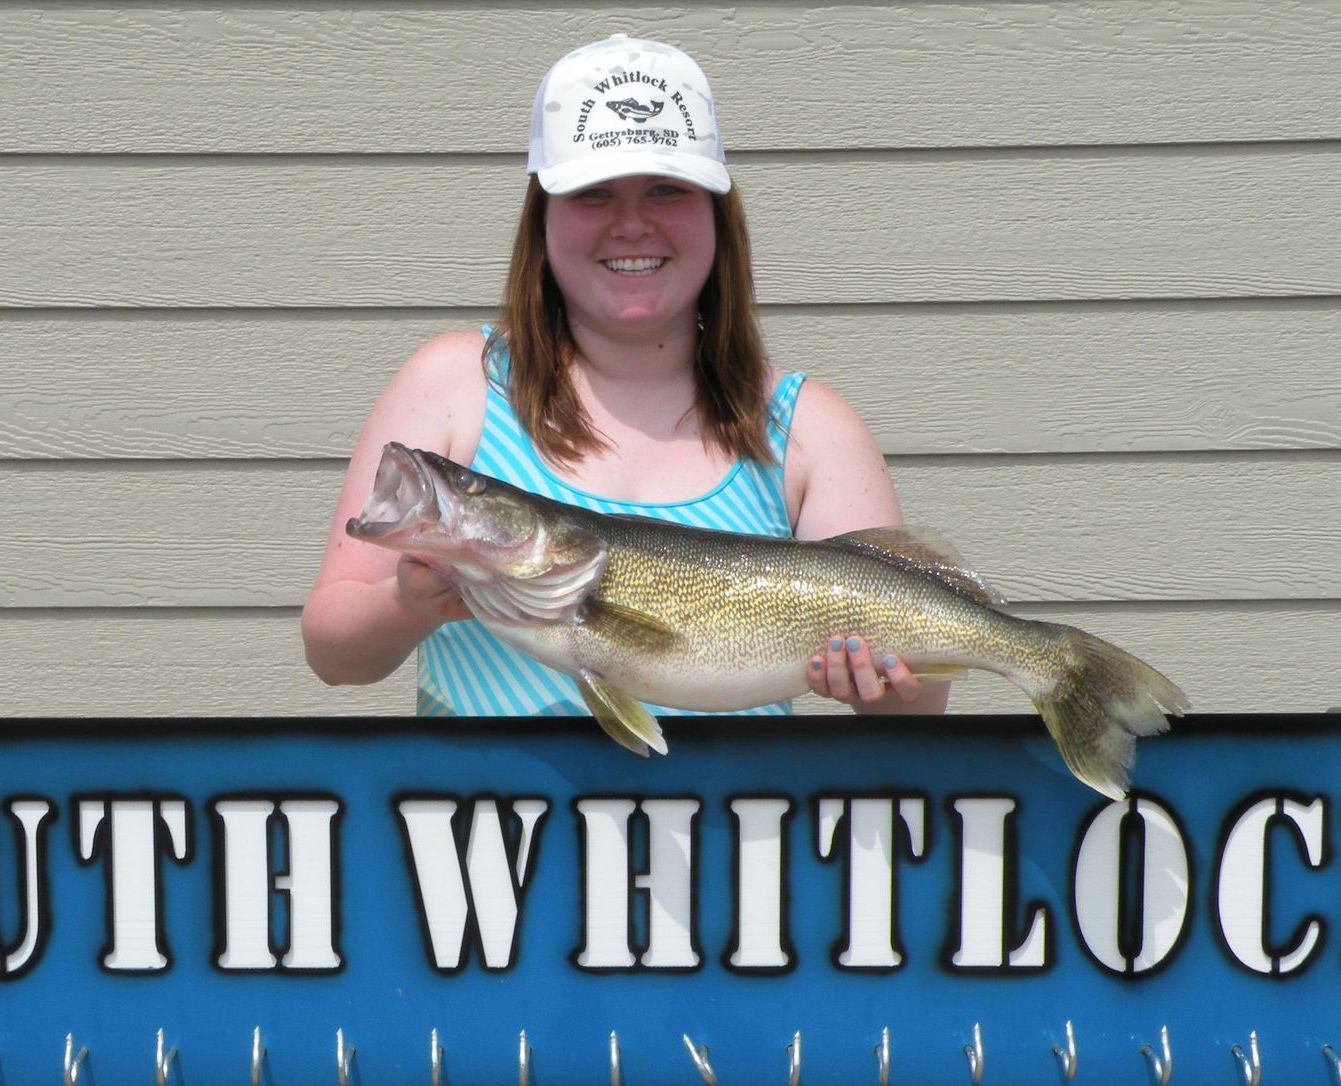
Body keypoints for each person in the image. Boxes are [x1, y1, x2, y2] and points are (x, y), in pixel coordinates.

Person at [301, 33, 949, 721]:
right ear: (542, 222)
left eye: (667, 190)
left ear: (716, 219)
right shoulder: (457, 383)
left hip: (731, 827)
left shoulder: (807, 428)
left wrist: (885, 690)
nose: (631, 224)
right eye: (592, 193)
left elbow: (917, 705)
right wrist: (405, 606)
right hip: (488, 829)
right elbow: (333, 654)